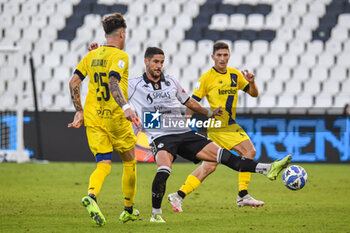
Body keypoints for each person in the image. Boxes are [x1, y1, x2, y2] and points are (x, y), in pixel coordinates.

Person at [127, 47, 292, 223]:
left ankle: (267, 169)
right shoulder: (134, 84)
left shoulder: (172, 81)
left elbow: (189, 101)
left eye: (161, 62)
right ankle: (156, 213)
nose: (159, 66)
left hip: (187, 131)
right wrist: (126, 111)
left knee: (223, 158)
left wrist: (208, 114)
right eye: (155, 62)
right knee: (166, 169)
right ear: (146, 61)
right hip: (163, 136)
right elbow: (114, 92)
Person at [167, 41, 266, 212]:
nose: (222, 58)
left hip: (229, 126)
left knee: (210, 166)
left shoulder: (235, 74)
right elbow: (193, 102)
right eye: (219, 55)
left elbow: (254, 94)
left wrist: (252, 82)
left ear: (229, 56)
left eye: (225, 55)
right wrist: (186, 122)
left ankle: (179, 195)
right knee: (247, 152)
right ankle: (243, 195)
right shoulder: (206, 78)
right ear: (212, 57)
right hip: (219, 127)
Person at [68, 12, 139, 226]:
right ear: (123, 33)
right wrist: (126, 107)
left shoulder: (92, 55)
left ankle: (91, 196)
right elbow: (113, 82)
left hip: (93, 116)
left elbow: (73, 83)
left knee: (103, 164)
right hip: (115, 117)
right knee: (130, 161)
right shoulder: (121, 56)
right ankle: (128, 209)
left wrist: (79, 110)